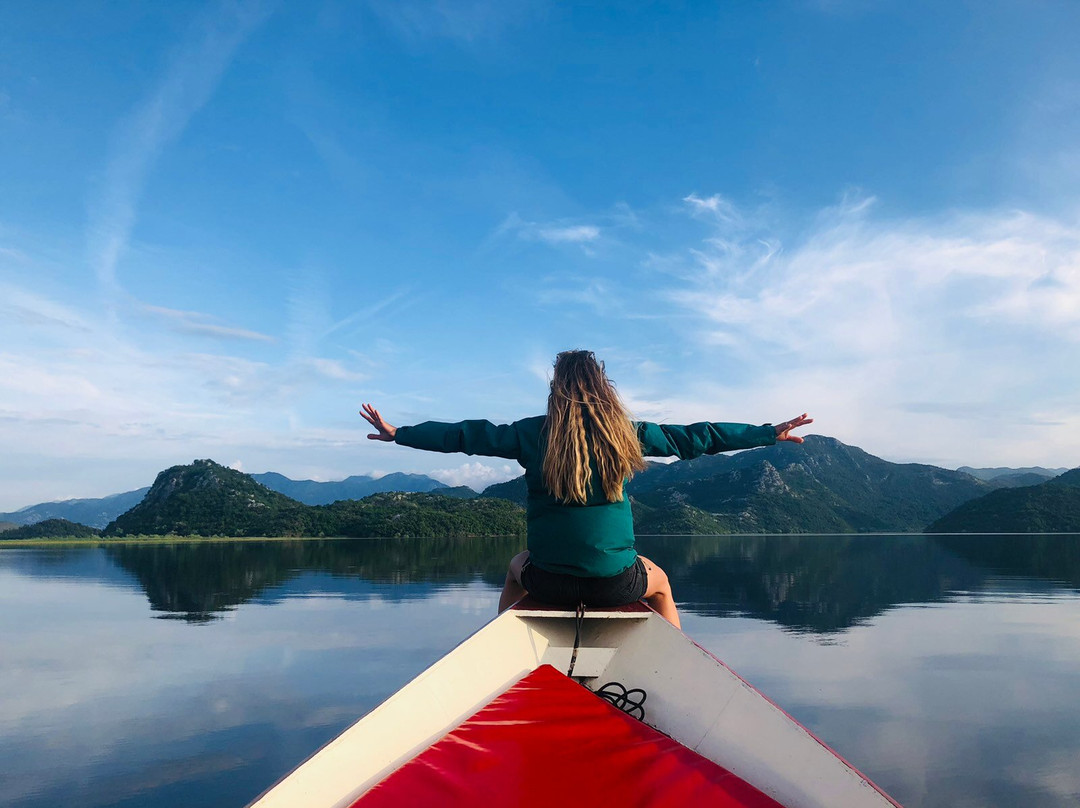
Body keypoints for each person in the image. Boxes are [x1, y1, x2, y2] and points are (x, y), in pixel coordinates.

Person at [360, 350, 811, 629]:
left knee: (516, 566)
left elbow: (466, 435)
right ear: (604, 389)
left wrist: (401, 433)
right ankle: (672, 666)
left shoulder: (532, 433)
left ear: (556, 390)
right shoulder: (626, 433)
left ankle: (504, 651)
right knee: (663, 586)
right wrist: (768, 433)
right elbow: (699, 436)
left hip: (548, 580)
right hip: (617, 583)